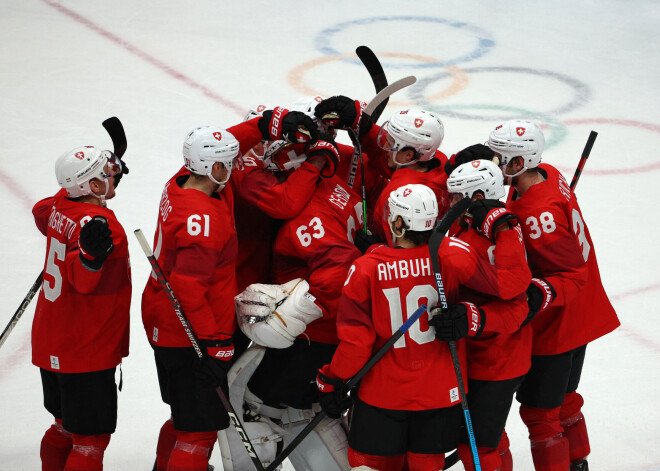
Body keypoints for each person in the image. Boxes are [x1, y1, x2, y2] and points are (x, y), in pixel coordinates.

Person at [142, 107, 320, 471]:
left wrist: (262, 124)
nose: (237, 166)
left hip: (164, 320)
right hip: (189, 334)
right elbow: (189, 289)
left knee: (184, 417)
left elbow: (221, 144)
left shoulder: (184, 180)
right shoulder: (202, 221)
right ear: (216, 168)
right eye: (230, 162)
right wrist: (214, 344)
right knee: (199, 431)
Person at [318, 183, 531, 471]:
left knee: (367, 464)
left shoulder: (365, 268)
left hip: (383, 394)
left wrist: (332, 378)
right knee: (427, 464)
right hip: (441, 394)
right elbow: (512, 285)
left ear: (397, 223)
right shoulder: (453, 253)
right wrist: (505, 228)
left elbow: (356, 344)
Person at [487, 120, 620, 471]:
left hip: (558, 318)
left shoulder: (537, 215)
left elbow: (567, 274)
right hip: (582, 309)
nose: (495, 163)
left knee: (540, 411)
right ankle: (578, 462)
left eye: (501, 157)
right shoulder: (545, 171)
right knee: (563, 399)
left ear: (519, 163)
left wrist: (533, 293)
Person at [227, 137, 358, 471]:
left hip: (319, 335)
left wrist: (291, 316)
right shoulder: (336, 185)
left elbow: (339, 273)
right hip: (346, 330)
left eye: (275, 171)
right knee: (295, 403)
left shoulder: (307, 217)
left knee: (253, 398)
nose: (272, 180)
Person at [32, 145, 130, 471]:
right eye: (106, 171)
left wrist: (106, 177)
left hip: (52, 341)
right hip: (86, 349)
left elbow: (39, 211)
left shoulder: (60, 203)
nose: (113, 171)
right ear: (93, 187)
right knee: (90, 441)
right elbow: (84, 280)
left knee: (63, 426)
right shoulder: (104, 227)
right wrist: (89, 257)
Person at [442, 159, 532, 471]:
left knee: (475, 449)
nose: (450, 203)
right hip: (483, 355)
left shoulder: (501, 233)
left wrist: (473, 318)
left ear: (478, 198)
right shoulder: (471, 225)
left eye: (456, 197)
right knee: (489, 439)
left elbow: (514, 292)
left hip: (499, 359)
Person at [315, 98, 451, 245]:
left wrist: (372, 246)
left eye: (391, 143)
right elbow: (386, 158)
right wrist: (364, 127)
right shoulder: (437, 161)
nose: (385, 145)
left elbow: (399, 249)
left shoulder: (399, 193)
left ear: (408, 155)